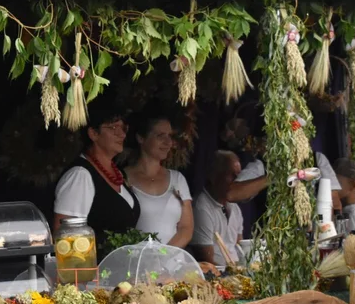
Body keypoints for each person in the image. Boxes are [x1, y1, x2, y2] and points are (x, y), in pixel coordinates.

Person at [54, 103, 141, 250]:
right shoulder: (80, 176)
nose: (122, 134)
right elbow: (64, 238)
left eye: (123, 128)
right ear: (93, 133)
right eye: (114, 128)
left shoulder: (118, 173)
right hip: (97, 269)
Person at [125, 114, 193, 247]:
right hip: (137, 262)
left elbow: (186, 228)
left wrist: (163, 256)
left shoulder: (177, 179)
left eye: (170, 136)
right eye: (160, 136)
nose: (168, 142)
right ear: (141, 138)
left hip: (172, 262)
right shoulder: (122, 178)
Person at [192, 150, 245, 269]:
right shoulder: (201, 208)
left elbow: (240, 247)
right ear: (214, 176)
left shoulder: (234, 207)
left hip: (237, 271)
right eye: (232, 175)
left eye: (239, 175)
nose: (237, 181)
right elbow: (207, 260)